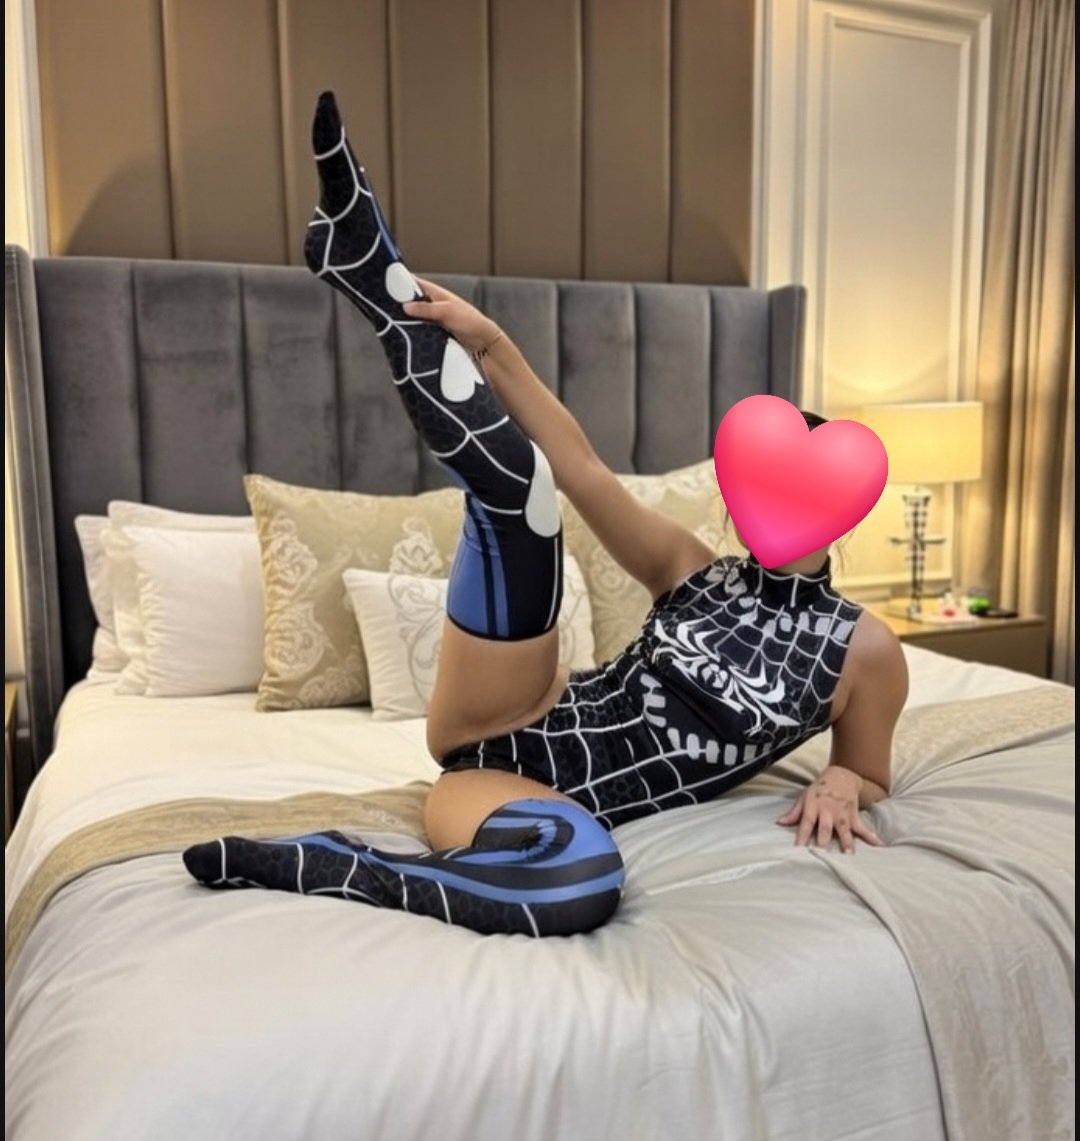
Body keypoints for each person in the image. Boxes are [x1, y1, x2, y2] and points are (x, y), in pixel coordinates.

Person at [183, 92, 908, 937]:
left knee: (583, 878)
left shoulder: (868, 650)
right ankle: (375, 272)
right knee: (525, 493)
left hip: (498, 789)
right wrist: (489, 344)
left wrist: (843, 782)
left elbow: (869, 770)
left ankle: (329, 863)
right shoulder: (694, 571)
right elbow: (583, 467)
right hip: (513, 705)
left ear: (844, 512)